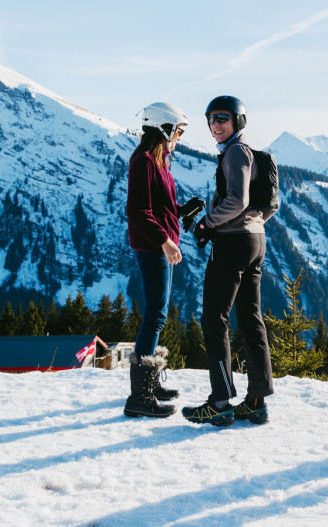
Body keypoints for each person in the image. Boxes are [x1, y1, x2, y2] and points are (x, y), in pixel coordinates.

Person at [183, 95, 277, 427]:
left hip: (234, 243)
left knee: (214, 320)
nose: (215, 125)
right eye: (210, 119)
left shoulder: (236, 152)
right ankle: (255, 401)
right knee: (250, 319)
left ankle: (220, 402)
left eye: (223, 118)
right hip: (255, 240)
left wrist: (209, 222)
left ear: (238, 121)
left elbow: (237, 199)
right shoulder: (254, 155)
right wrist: (252, 223)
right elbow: (269, 204)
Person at [124, 102, 203, 419]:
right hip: (151, 248)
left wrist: (183, 210)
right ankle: (140, 397)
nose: (180, 137)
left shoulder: (158, 160)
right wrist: (165, 240)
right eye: (179, 131)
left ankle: (151, 385)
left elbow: (159, 205)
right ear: (165, 128)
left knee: (157, 314)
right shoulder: (143, 161)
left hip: (156, 246)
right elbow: (138, 211)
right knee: (155, 316)